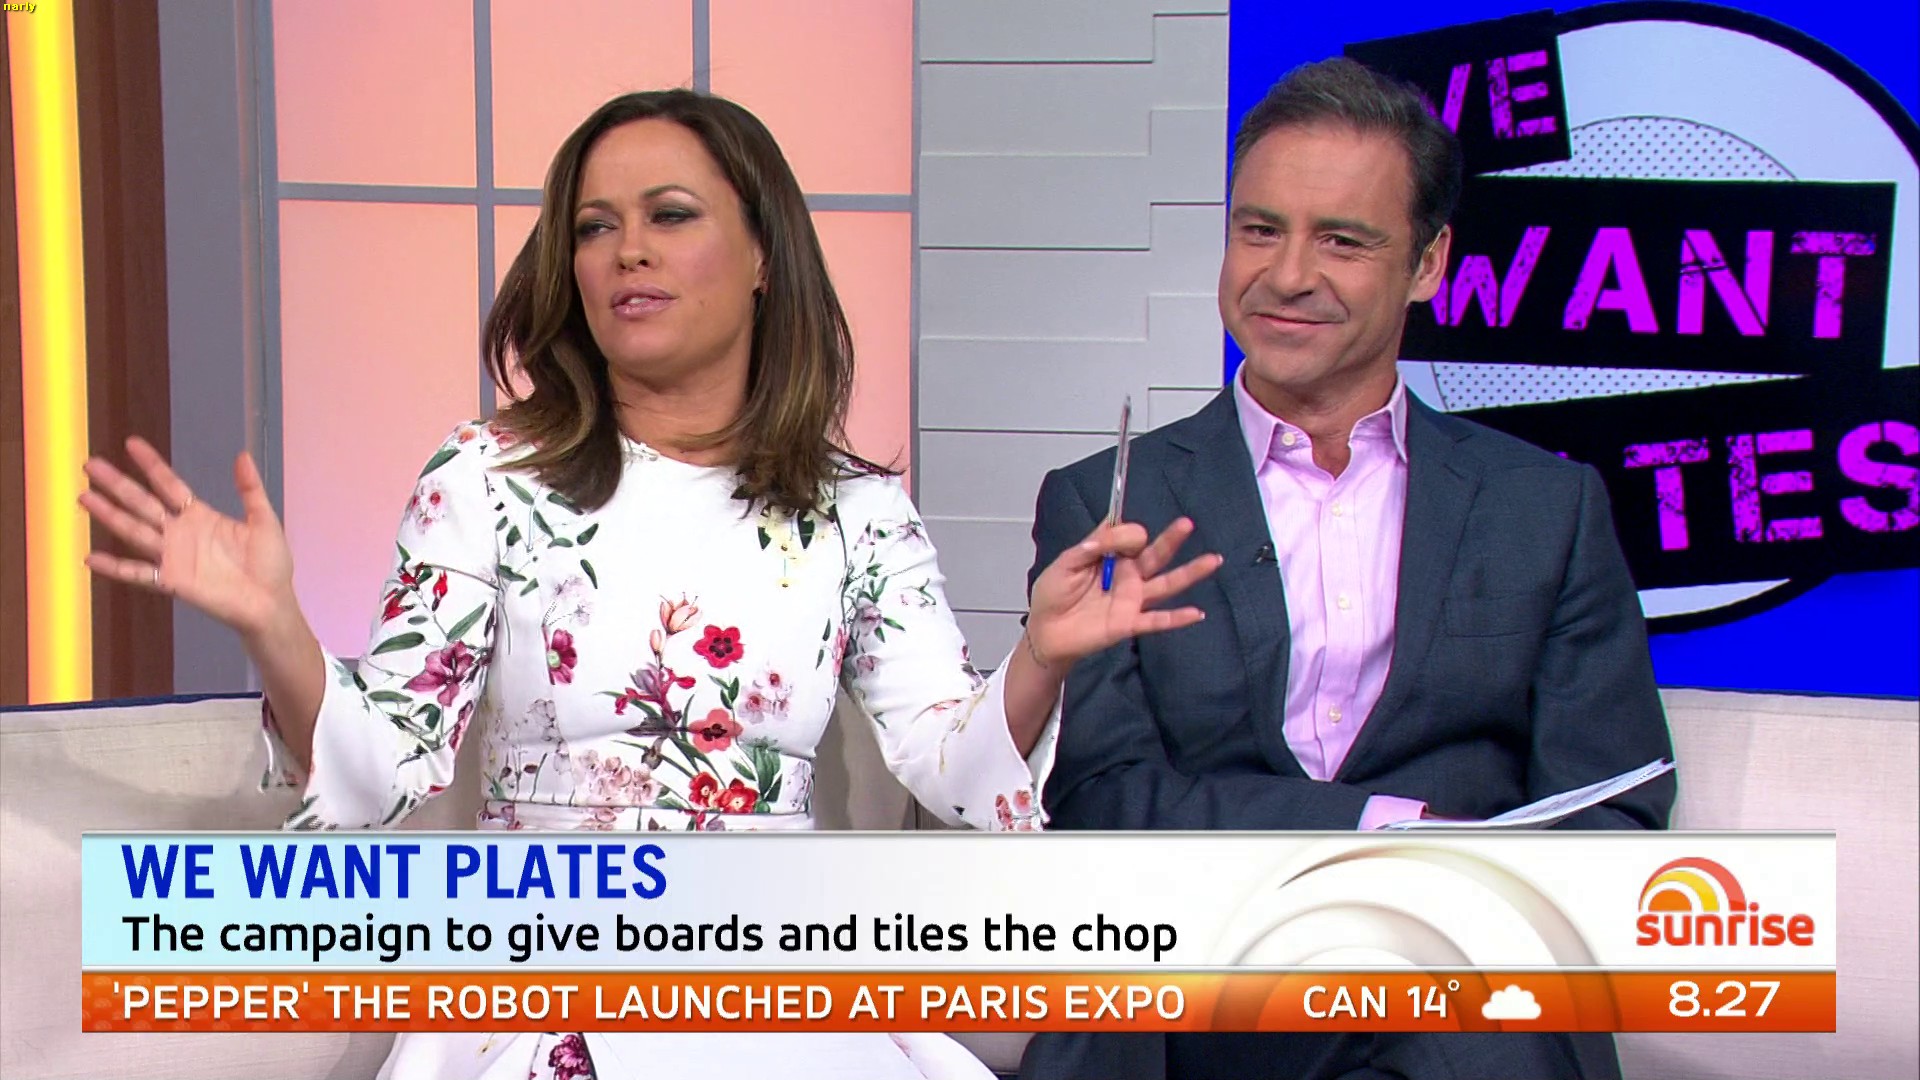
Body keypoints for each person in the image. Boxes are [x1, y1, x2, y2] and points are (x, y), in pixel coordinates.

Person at [79, 89, 1220, 1080]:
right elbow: (382, 769)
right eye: (595, 226)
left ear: (764, 256)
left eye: (670, 216)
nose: (627, 251)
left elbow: (948, 762)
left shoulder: (858, 510)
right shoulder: (484, 478)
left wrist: (1040, 658)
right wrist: (275, 629)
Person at [1020, 59, 1675, 1080]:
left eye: (1342, 240)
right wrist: (1384, 834)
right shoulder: (1108, 505)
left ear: (1428, 262)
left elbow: (1614, 808)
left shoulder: (1547, 509)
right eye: (1260, 230)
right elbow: (1105, 799)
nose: (1287, 275)